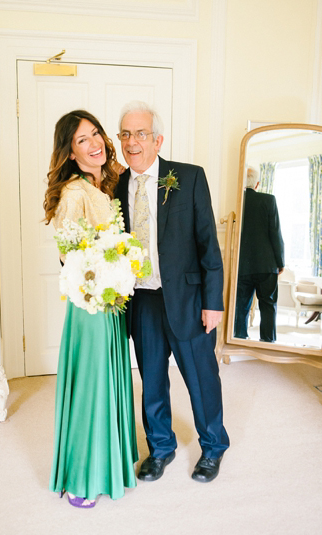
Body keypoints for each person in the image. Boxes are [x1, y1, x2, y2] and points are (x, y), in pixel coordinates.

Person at [114, 101, 229, 483]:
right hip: (142, 300)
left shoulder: (189, 177)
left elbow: (208, 246)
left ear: (158, 139)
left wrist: (213, 303)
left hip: (189, 299)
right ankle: (160, 447)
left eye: (141, 134)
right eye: (126, 134)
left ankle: (213, 446)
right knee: (152, 381)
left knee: (201, 377)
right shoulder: (115, 185)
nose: (132, 142)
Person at [44, 110, 138, 508]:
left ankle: (110, 461)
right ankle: (82, 477)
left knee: (108, 381)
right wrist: (107, 276)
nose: (94, 143)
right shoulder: (74, 193)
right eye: (83, 139)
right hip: (92, 305)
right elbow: (70, 258)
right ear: (69, 151)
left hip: (111, 301)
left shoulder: (105, 184)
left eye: (96, 133)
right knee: (91, 388)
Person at [234, 167, 285, 342]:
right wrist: (280, 262)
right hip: (266, 264)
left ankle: (239, 337)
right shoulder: (268, 200)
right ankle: (268, 340)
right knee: (268, 305)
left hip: (242, 265)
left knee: (241, 305)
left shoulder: (237, 201)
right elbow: (275, 233)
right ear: (257, 183)